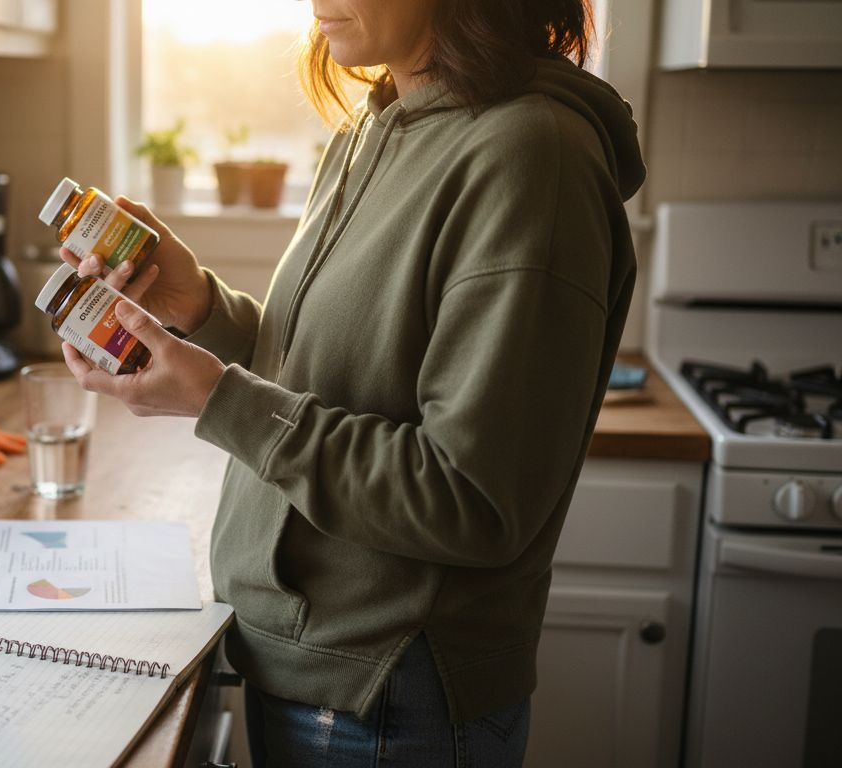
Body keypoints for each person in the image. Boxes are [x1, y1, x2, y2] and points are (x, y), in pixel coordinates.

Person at [61, 0, 644, 764]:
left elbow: (470, 498)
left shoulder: (533, 157)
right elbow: (341, 371)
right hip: (303, 664)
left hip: (389, 698)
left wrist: (216, 399)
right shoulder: (375, 127)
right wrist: (197, 305)